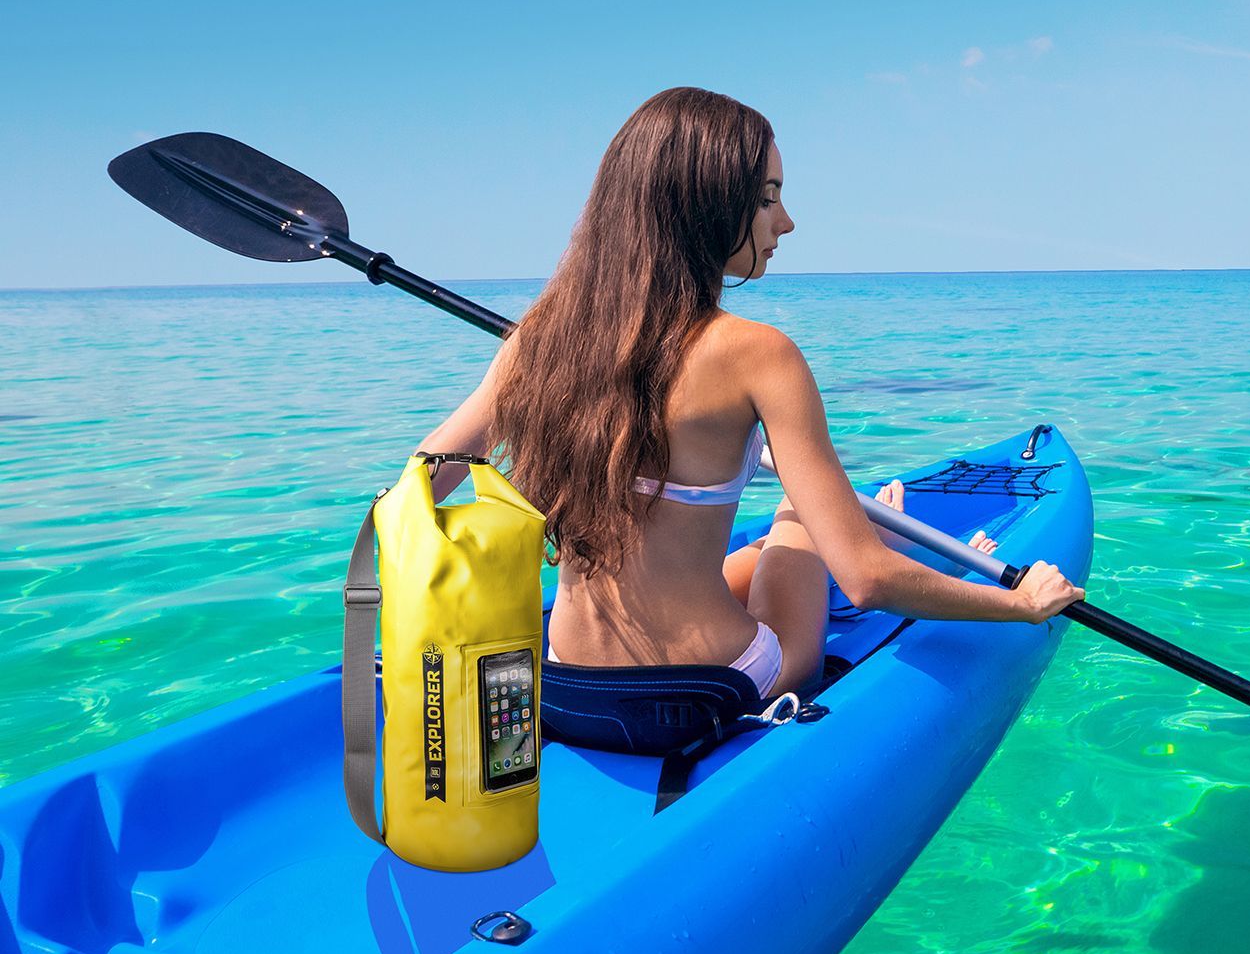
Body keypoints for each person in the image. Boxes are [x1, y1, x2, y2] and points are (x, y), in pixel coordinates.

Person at [416, 86, 1083, 708]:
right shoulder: (761, 354)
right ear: (701, 204)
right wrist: (1019, 602)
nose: (787, 221)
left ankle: (810, 539)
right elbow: (865, 581)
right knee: (799, 514)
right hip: (705, 691)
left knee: (757, 552)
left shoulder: (540, 338)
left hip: (563, 674)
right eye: (768, 196)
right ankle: (855, 523)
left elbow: (418, 487)